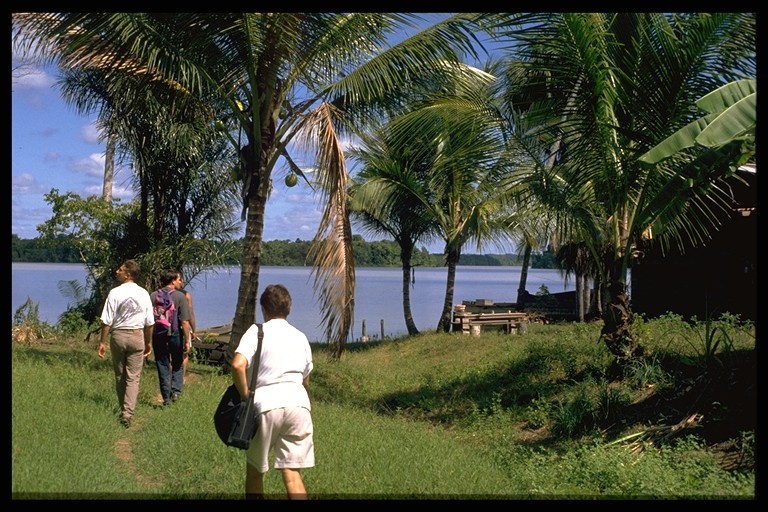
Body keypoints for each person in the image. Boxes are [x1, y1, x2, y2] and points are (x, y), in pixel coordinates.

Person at [231, 284, 314, 500]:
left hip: (266, 404)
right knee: (293, 476)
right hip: (299, 405)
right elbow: (306, 379)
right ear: (289, 308)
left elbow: (238, 365)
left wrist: (245, 394)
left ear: (264, 309)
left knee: (256, 472)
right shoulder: (301, 337)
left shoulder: (257, 332)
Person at [97, 259, 155, 428]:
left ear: (128, 274)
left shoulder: (115, 293)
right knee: (133, 377)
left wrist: (102, 342)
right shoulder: (143, 293)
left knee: (120, 374)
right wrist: (148, 342)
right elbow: (149, 322)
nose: (117, 271)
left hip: (119, 336)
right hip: (137, 335)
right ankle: (127, 413)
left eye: (120, 270)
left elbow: (107, 321)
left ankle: (124, 409)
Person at [150, 269, 192, 406]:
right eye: (179, 279)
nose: (181, 282)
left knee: (162, 364)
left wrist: (147, 340)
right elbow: (185, 321)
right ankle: (176, 392)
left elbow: (149, 320)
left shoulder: (153, 295)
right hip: (175, 334)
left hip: (158, 334)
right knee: (177, 363)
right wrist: (188, 340)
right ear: (173, 280)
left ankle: (166, 398)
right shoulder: (180, 297)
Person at [176, 272, 196, 384]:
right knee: (185, 354)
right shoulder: (186, 295)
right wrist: (193, 330)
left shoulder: (165, 293)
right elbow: (190, 313)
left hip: (168, 327)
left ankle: (171, 377)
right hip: (184, 326)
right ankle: (181, 379)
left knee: (170, 355)